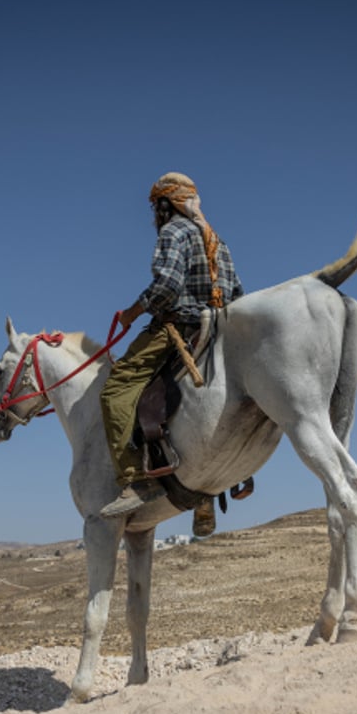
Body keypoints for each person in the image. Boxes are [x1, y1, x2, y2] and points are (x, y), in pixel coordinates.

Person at [99, 172, 244, 519]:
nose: (155, 215)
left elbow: (166, 286)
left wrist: (133, 313)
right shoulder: (216, 240)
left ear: (165, 204)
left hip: (178, 327)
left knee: (116, 390)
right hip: (218, 331)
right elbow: (237, 293)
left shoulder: (173, 232)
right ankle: (213, 489)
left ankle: (136, 479)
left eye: (156, 206)